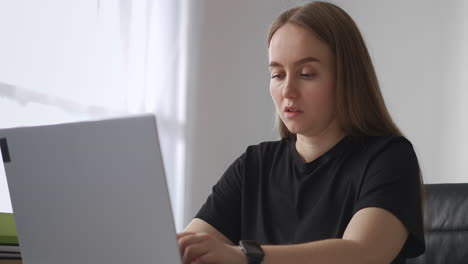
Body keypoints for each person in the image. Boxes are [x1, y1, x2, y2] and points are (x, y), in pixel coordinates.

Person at [177, 1, 425, 264]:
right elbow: (190, 249)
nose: (287, 91)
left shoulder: (389, 158)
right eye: (278, 75)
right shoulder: (254, 165)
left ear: (347, 78)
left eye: (306, 74)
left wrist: (245, 256)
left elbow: (362, 253)